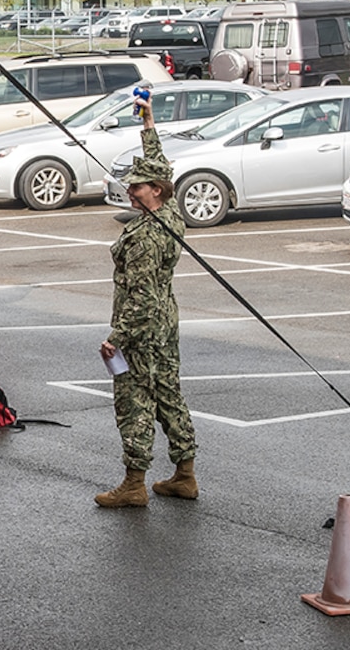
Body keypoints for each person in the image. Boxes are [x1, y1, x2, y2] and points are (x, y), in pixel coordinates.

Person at [95, 96, 198, 508]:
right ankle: (185, 474)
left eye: (136, 186)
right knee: (170, 393)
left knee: (134, 401)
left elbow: (141, 298)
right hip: (166, 325)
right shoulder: (170, 213)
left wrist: (116, 338)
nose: (130, 190)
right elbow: (161, 166)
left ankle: (134, 483)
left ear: (154, 191)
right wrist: (148, 124)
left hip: (142, 330)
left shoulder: (145, 238)